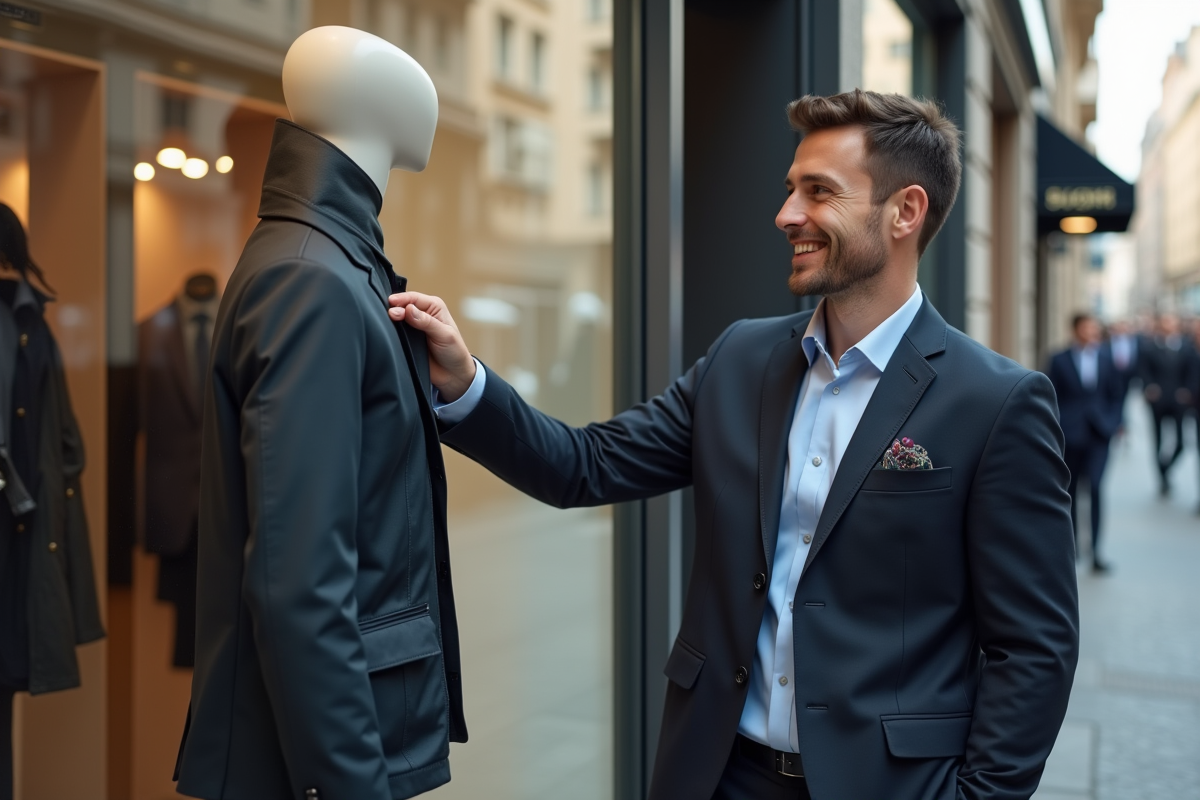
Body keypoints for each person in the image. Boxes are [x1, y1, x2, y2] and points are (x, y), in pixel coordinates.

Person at [392, 90, 1079, 800]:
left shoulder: (996, 403)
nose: (787, 216)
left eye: (819, 192)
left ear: (905, 212)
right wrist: (466, 380)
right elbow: (584, 466)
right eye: (790, 190)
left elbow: (1033, 647)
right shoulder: (740, 360)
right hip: (718, 774)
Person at [174, 29, 466, 800]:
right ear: (373, 102)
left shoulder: (331, 265)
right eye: (411, 75)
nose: (430, 91)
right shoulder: (314, 281)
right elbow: (298, 581)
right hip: (320, 761)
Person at [1047, 313, 1124, 573]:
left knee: (1096, 488)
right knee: (1068, 492)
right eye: (1086, 328)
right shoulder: (1059, 359)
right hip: (1070, 434)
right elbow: (1050, 396)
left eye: (1094, 328)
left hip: (1100, 434)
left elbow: (1117, 395)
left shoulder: (1107, 359)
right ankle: (1071, 548)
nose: (1092, 332)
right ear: (1075, 330)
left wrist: (1114, 423)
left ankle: (1096, 552)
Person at [1139, 313, 1193, 496]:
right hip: (1158, 401)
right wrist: (1149, 387)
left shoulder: (1186, 347)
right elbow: (1143, 371)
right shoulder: (1150, 348)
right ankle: (1162, 479)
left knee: (1181, 443)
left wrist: (1187, 390)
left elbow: (1191, 371)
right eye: (1165, 323)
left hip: (1179, 401)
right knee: (1158, 441)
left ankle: (1165, 467)